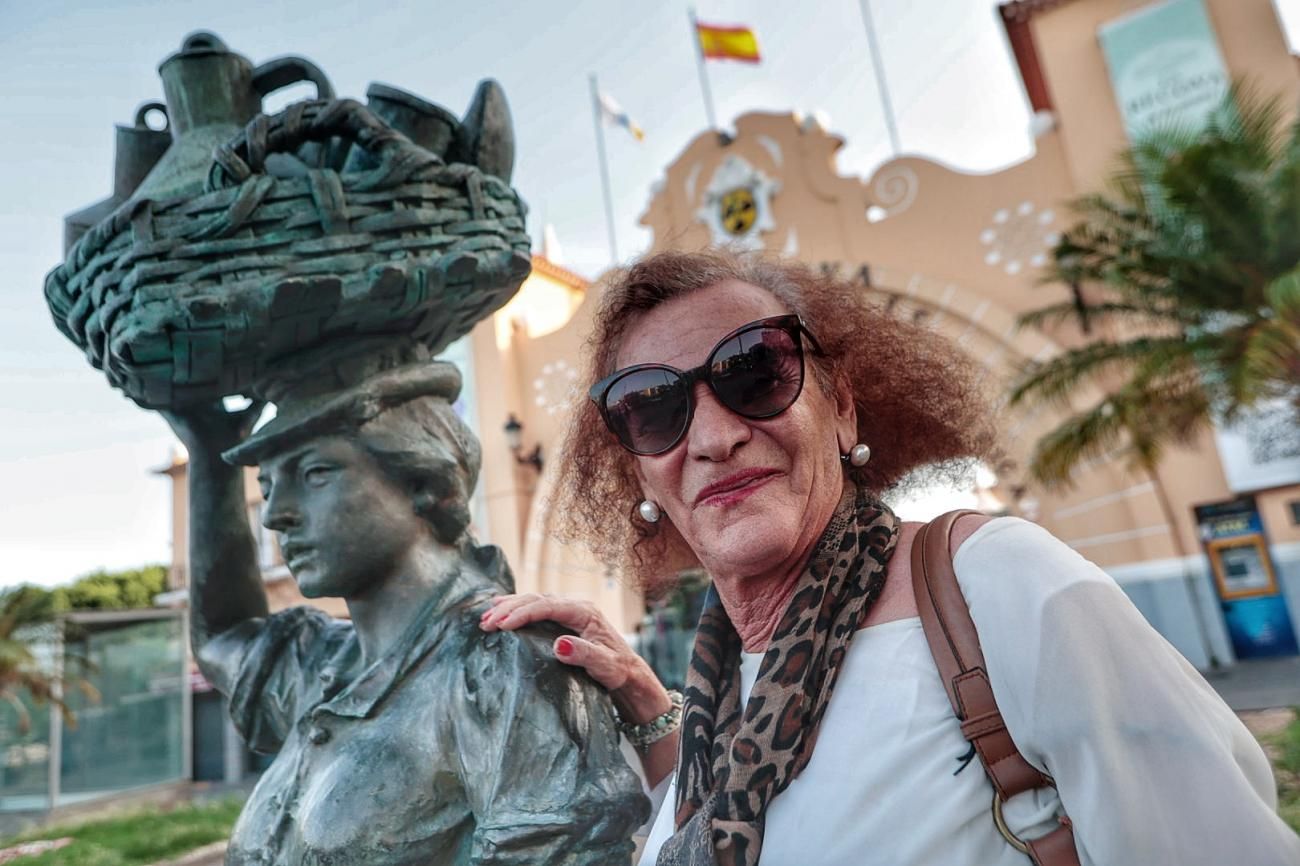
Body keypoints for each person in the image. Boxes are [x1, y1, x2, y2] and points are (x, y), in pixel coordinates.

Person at [479, 250, 1300, 866]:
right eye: (652, 407)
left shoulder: (996, 587)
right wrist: (645, 696)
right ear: (637, 468)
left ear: (841, 409)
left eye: (755, 372)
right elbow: (737, 820)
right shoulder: (716, 676)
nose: (714, 435)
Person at [164, 347, 648, 866]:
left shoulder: (499, 664)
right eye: (267, 486)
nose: (276, 515)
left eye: (315, 473)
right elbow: (223, 637)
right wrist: (211, 447)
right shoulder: (323, 665)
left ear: (424, 482)